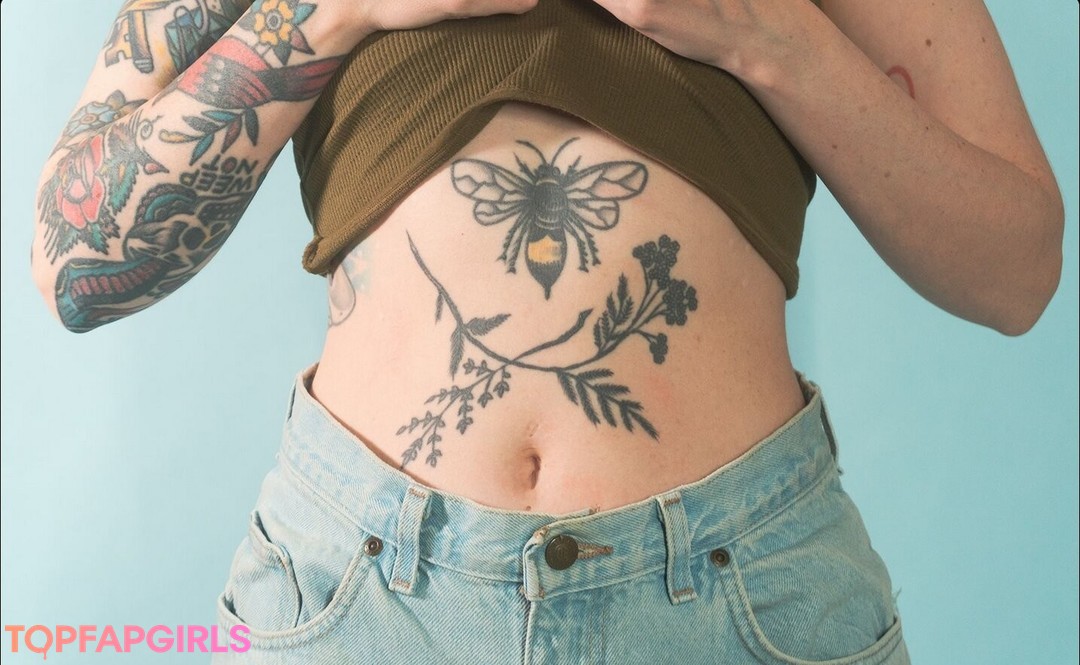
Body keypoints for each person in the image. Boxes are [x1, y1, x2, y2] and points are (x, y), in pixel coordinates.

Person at [29, 0, 1062, 663]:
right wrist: (336, 10)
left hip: (738, 588)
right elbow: (76, 262)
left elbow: (1016, 273)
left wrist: (767, 33)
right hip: (366, 594)